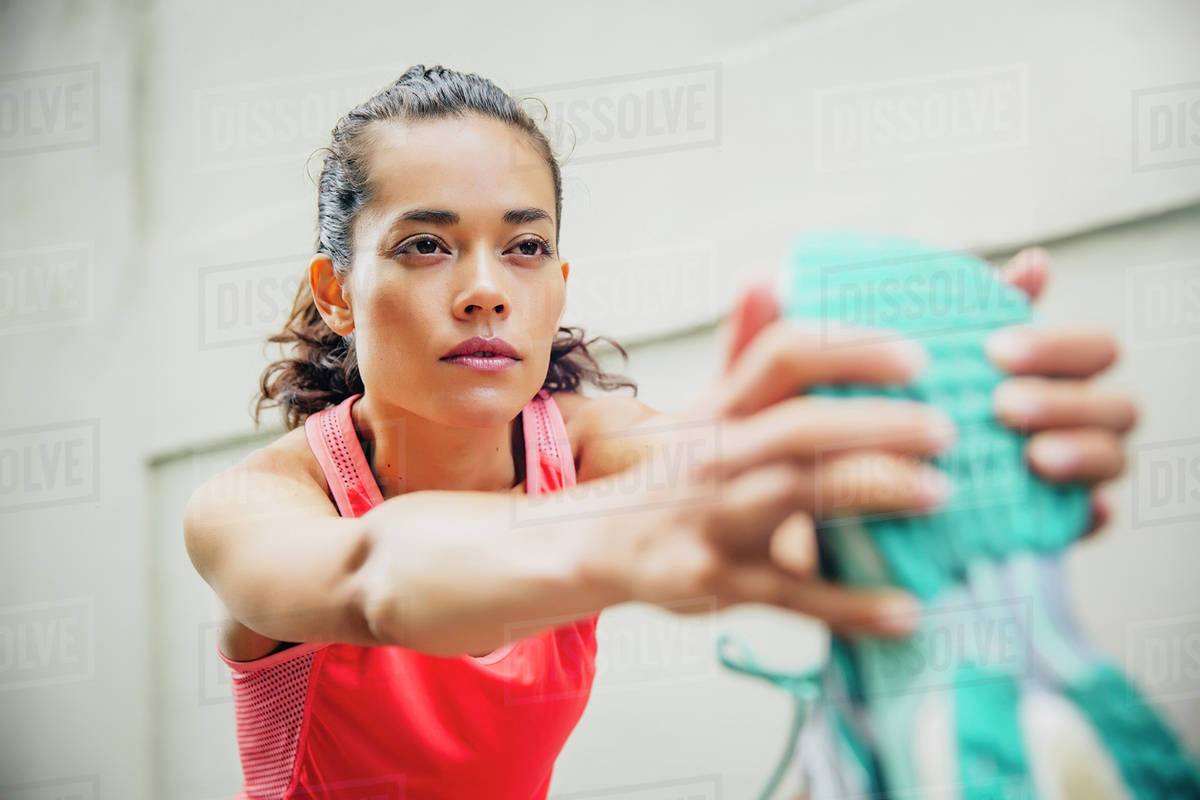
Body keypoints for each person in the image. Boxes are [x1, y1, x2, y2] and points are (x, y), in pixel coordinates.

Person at [182, 64, 1137, 800]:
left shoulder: (591, 447)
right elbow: (374, 580)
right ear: (338, 292)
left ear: (559, 283)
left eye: (525, 246)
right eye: (425, 245)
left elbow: (730, 479)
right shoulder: (254, 509)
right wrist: (637, 531)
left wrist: (921, 455)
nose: (484, 288)